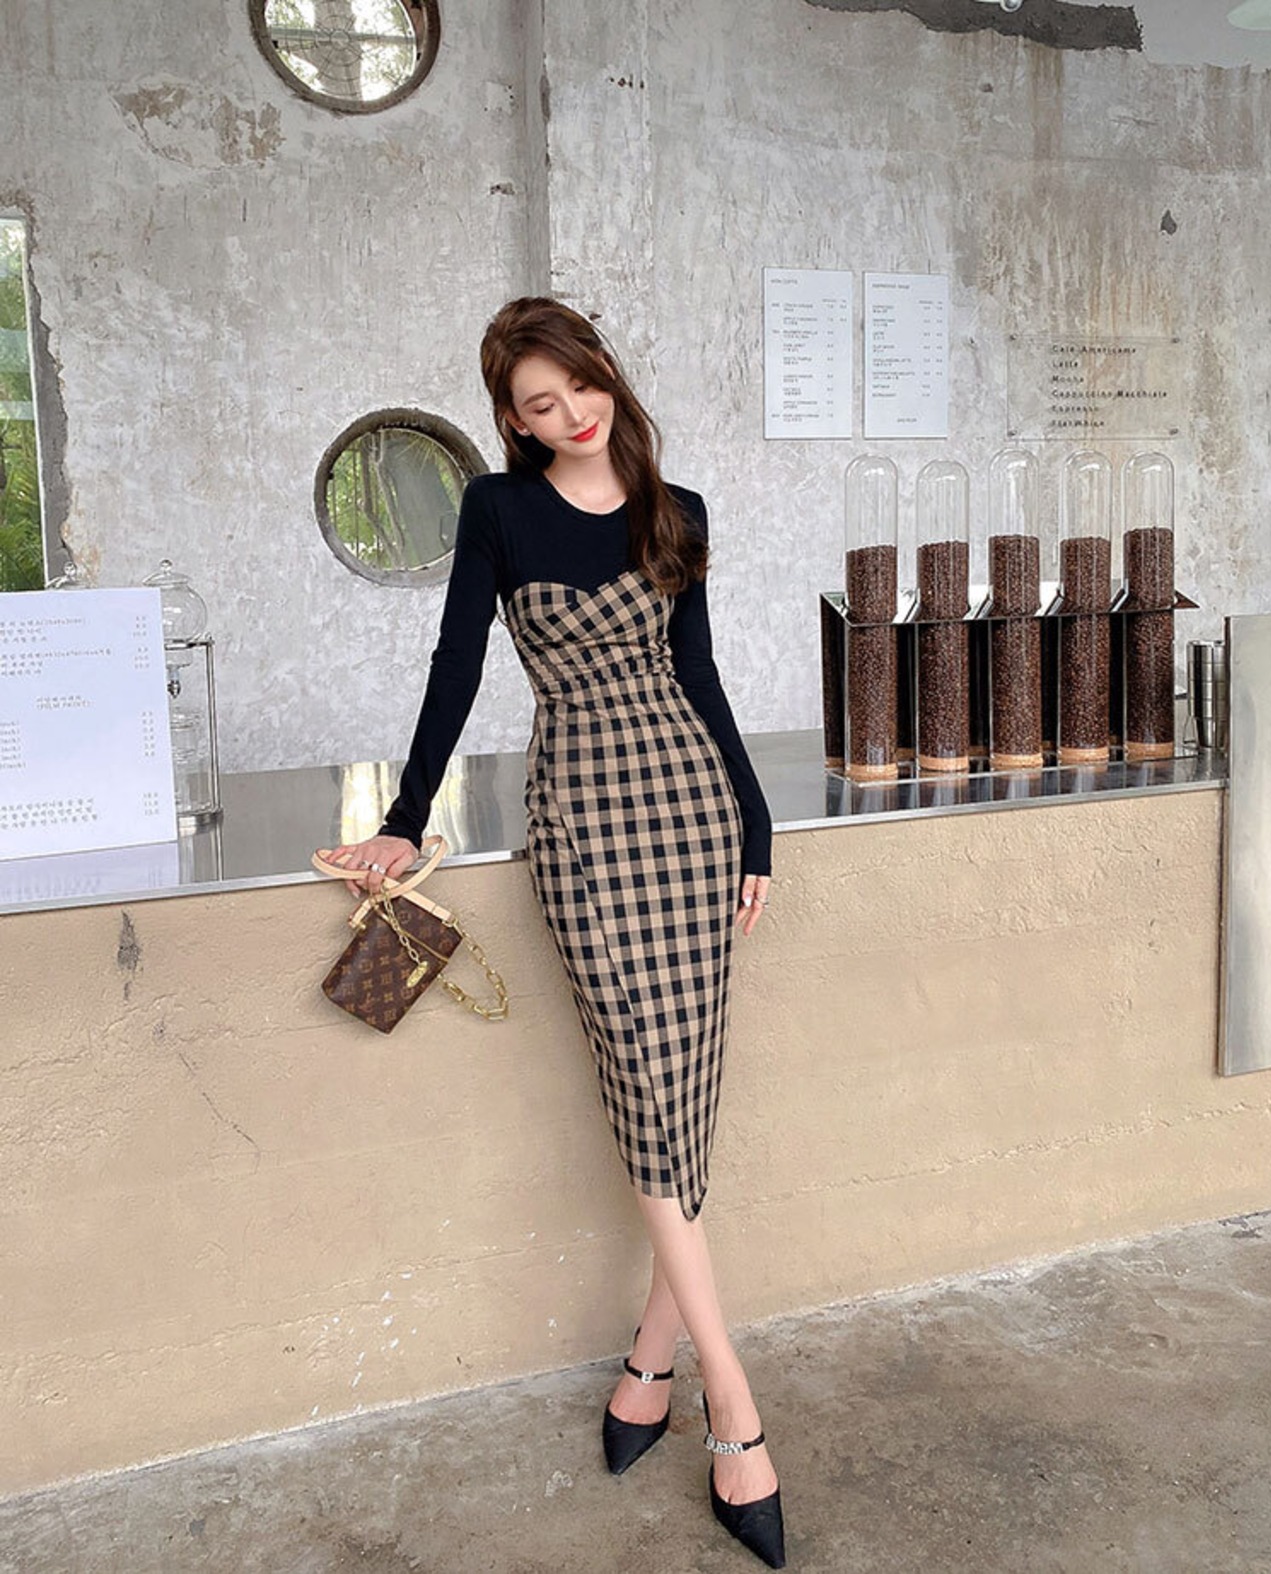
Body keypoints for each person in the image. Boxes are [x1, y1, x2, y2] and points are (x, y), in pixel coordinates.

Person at [318, 297, 784, 1569]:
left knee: (685, 1084)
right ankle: (732, 1402)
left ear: (605, 379)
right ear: (511, 421)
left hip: (691, 813)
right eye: (538, 403)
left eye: (580, 386)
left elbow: (699, 675)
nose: (569, 413)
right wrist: (403, 817)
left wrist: (752, 823)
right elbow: (456, 664)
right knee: (641, 1071)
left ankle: (650, 1360)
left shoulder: (674, 508)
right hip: (581, 818)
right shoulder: (497, 511)